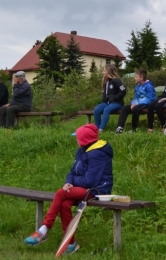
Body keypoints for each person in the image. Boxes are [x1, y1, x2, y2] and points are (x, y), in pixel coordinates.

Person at [24, 124, 113, 255]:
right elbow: (72, 171)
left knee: (60, 193)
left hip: (97, 190)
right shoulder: (82, 150)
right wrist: (68, 182)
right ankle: (70, 243)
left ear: (84, 139)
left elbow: (90, 181)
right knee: (65, 204)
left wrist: (72, 183)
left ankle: (44, 230)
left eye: (77, 138)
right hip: (82, 187)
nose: (76, 140)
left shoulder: (97, 154)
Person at [115, 69, 156, 133]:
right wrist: (133, 103)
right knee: (124, 108)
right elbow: (136, 97)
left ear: (141, 78)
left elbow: (150, 99)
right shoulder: (137, 86)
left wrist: (137, 104)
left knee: (135, 109)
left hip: (147, 104)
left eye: (136, 76)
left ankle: (134, 128)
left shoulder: (149, 86)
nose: (134, 78)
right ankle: (119, 127)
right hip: (137, 104)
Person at [94, 64, 126, 132]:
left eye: (104, 70)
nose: (103, 72)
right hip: (107, 103)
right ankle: (97, 128)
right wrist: (104, 98)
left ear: (109, 71)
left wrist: (114, 97)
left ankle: (101, 129)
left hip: (117, 103)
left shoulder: (116, 80)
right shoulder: (106, 82)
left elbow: (123, 91)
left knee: (106, 110)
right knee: (96, 109)